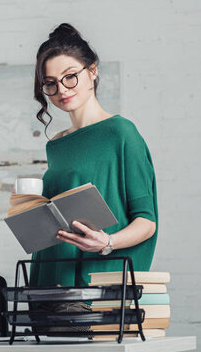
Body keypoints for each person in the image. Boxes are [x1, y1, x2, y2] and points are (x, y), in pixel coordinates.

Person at [30, 23, 158, 287]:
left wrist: (107, 242)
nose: (62, 90)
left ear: (92, 71)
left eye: (70, 76)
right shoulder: (56, 144)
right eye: (50, 83)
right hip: (53, 272)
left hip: (96, 278)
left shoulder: (121, 133)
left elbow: (147, 221)